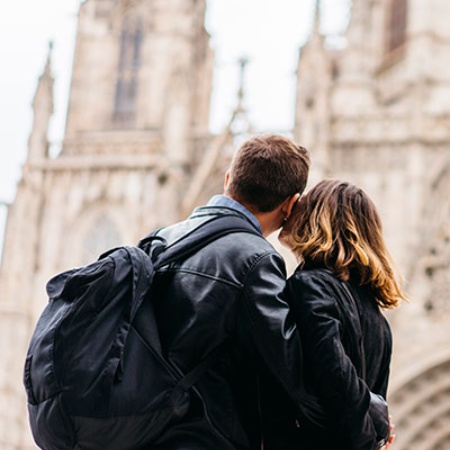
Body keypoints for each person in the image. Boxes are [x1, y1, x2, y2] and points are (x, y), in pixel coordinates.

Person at [146, 134, 310, 450]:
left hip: (142, 432)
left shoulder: (160, 240)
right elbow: (291, 371)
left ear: (227, 180)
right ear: (290, 205)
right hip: (200, 438)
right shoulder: (255, 259)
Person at [269, 179, 406, 450]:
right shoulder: (376, 313)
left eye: (301, 205)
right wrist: (376, 432)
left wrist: (369, 439)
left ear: (316, 219)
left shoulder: (309, 286)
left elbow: (336, 379)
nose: (288, 211)